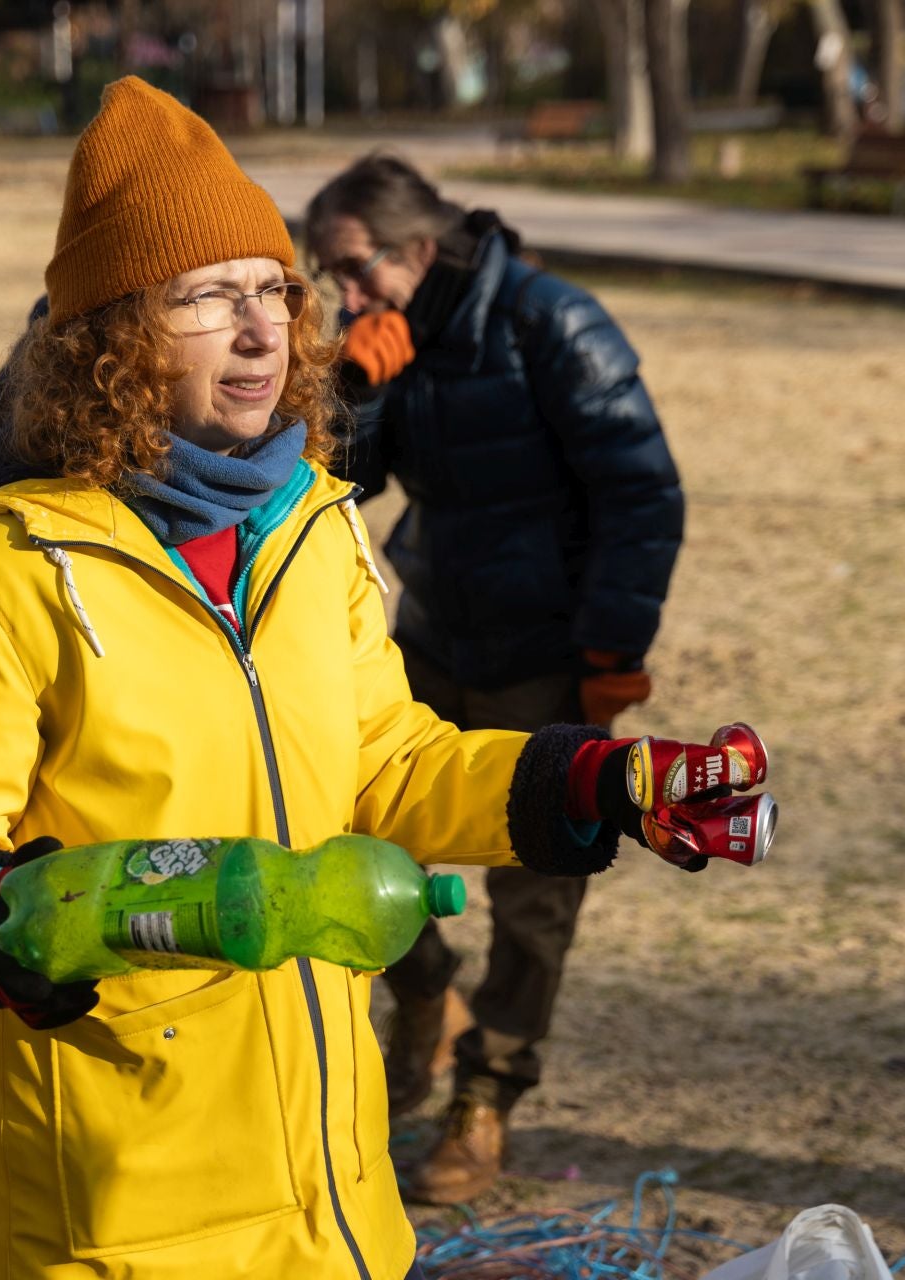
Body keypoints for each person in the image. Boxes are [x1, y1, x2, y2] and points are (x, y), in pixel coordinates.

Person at [0, 78, 759, 1280]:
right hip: (113, 1206)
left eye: (273, 288)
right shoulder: (7, 572)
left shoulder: (314, 524)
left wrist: (601, 781)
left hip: (326, 1194)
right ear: (113, 338)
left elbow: (388, 761)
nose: (265, 327)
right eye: (208, 296)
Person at [302, 154, 685, 1205]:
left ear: (416, 248)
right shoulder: (394, 334)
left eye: (354, 271)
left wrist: (610, 653)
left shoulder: (553, 322)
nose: (345, 296)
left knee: (535, 893)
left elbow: (642, 491)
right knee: (347, 829)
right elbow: (329, 483)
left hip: (546, 654)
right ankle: (424, 986)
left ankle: (487, 1093)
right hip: (429, 637)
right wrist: (354, 386)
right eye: (329, 278)